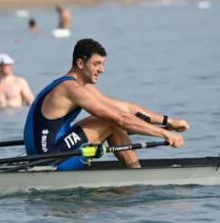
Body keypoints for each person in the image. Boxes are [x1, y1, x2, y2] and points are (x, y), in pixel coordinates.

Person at [24, 38, 188, 170]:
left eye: (103, 64)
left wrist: (167, 122)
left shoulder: (79, 86)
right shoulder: (71, 89)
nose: (102, 69)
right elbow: (122, 119)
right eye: (96, 64)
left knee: (110, 118)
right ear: (80, 64)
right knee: (111, 121)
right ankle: (136, 176)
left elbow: (125, 109)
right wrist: (166, 135)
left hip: (46, 151)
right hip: (47, 159)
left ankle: (135, 172)